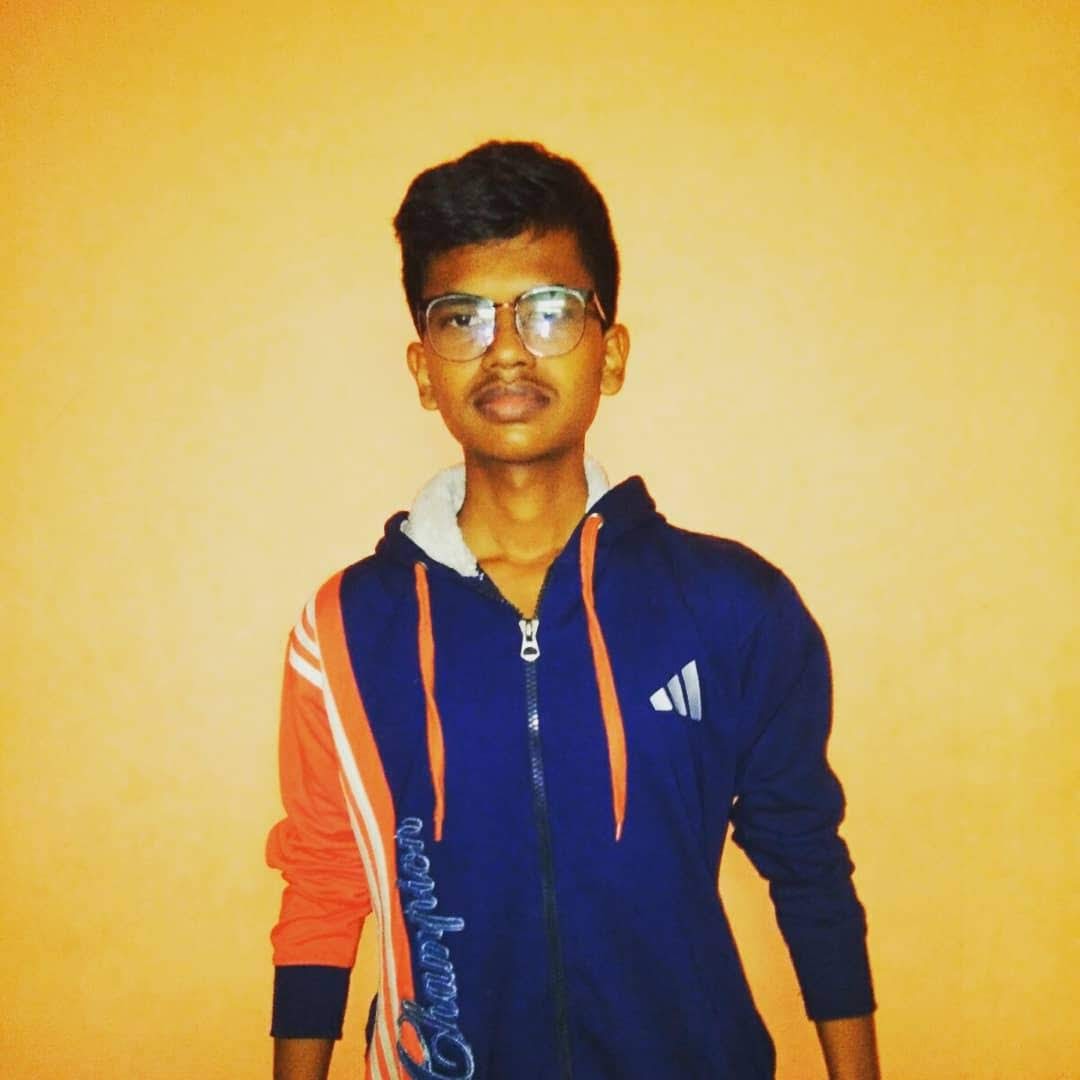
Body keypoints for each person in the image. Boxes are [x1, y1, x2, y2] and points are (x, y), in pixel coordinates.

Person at [266, 140, 879, 1080]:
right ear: (424, 370)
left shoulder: (733, 604)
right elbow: (322, 878)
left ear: (611, 351)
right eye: (463, 316)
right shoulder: (343, 628)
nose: (507, 349)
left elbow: (806, 861)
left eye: (548, 309)